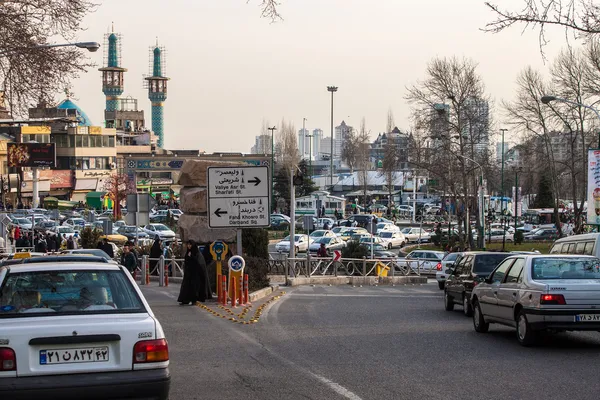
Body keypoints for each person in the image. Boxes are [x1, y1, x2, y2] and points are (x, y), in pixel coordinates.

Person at [178, 240, 210, 305]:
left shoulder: (197, 253)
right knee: (186, 287)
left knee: (194, 287)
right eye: (188, 245)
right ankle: (185, 300)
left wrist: (192, 257)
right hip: (188, 274)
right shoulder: (188, 252)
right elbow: (187, 262)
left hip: (195, 274)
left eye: (190, 245)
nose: (189, 246)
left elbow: (199, 263)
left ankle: (194, 300)